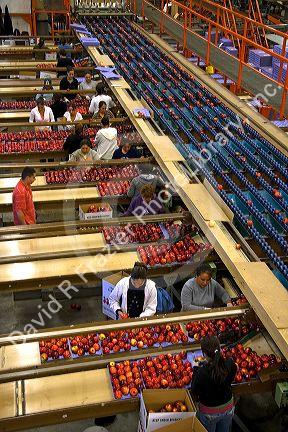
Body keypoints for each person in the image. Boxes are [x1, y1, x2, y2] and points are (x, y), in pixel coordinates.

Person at [191, 335, 237, 432]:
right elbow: (231, 374)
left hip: (209, 413)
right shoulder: (229, 363)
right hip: (228, 407)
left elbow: (194, 391)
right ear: (220, 350)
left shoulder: (201, 373)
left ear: (204, 354)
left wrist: (195, 368)